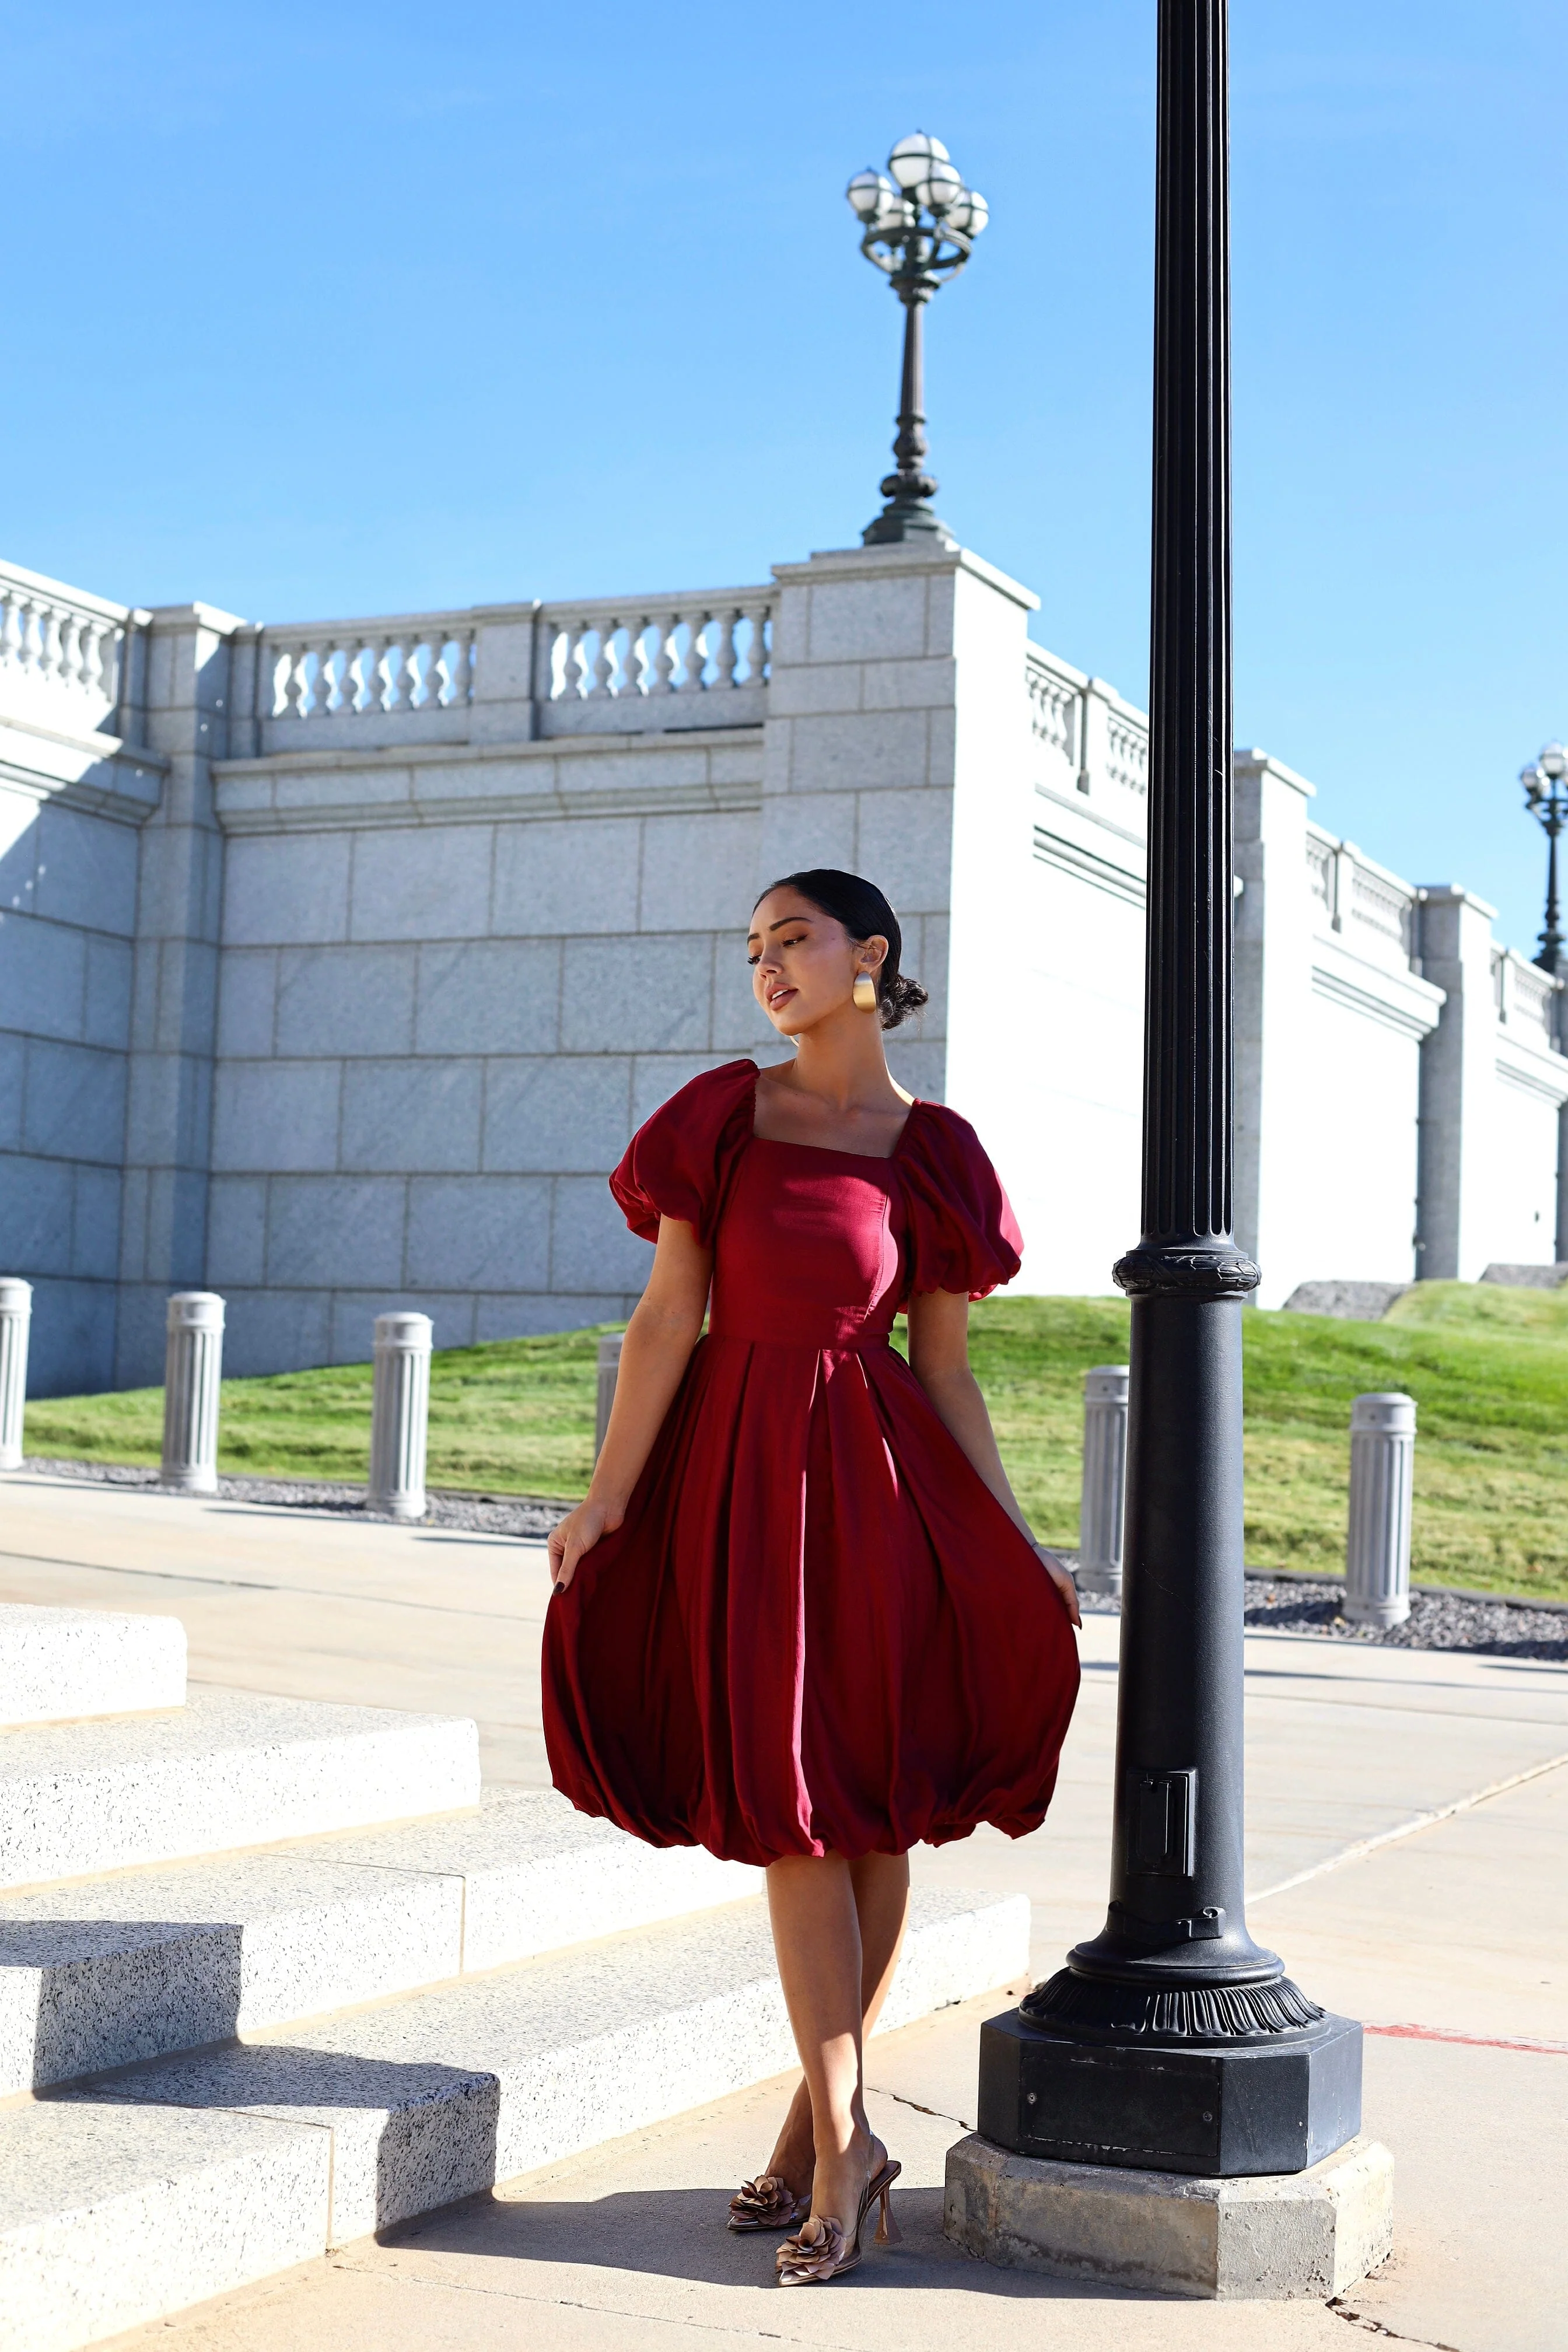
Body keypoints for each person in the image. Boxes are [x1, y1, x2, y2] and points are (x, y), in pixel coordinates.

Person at [543, 867, 1081, 2287]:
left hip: (877, 1488)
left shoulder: (937, 1153)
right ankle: (847, 2142)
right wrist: (607, 1497)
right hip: (738, 1482)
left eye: (794, 940)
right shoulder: (723, 1116)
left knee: (867, 1811)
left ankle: (820, 2137)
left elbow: (944, 1368)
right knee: (794, 1803)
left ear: (870, 958)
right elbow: (668, 1319)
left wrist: (1015, 1538)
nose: (768, 965)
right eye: (753, 949)